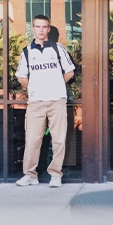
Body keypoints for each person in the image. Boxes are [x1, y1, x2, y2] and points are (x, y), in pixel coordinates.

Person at [15, 15, 75, 188]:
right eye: (38, 27)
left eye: (44, 27)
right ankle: (30, 175)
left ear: (49, 29)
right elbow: (22, 77)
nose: (41, 30)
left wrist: (55, 84)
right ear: (33, 28)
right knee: (33, 140)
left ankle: (56, 175)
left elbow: (70, 72)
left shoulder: (58, 49)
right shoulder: (26, 52)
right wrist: (36, 86)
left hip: (57, 101)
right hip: (36, 103)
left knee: (58, 140)